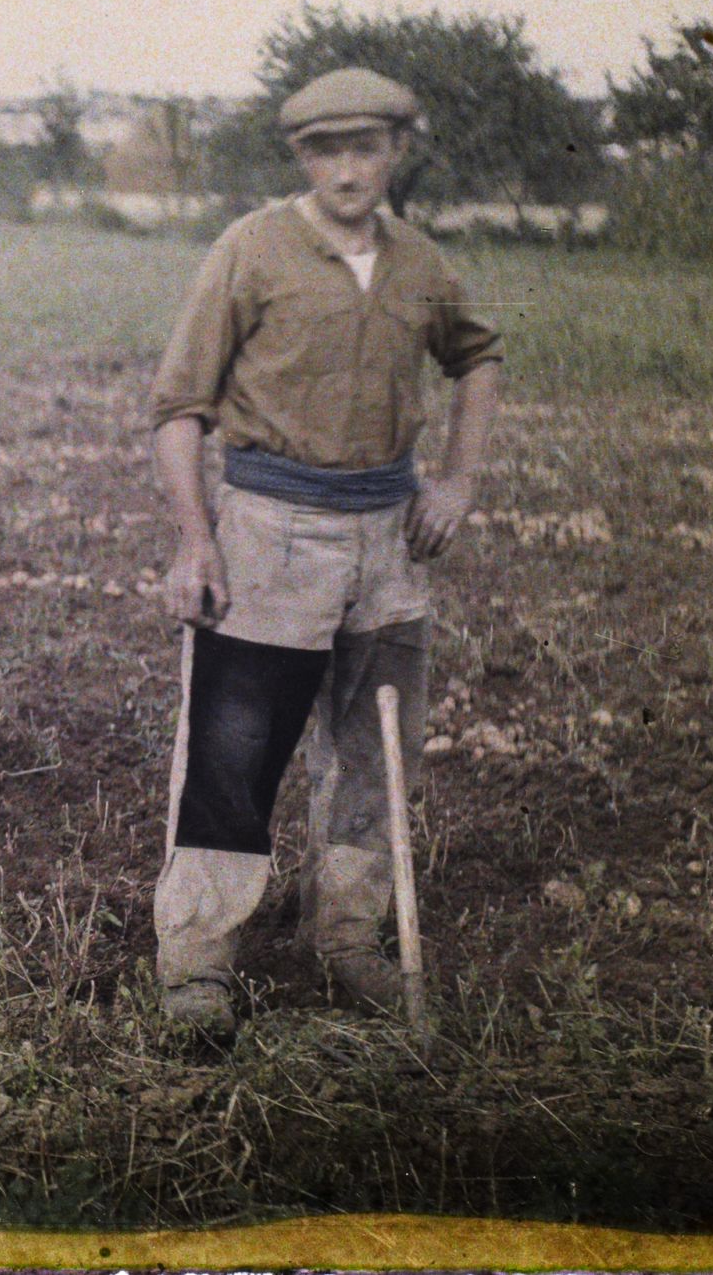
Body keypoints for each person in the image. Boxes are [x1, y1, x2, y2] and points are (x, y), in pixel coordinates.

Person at [145, 68, 504, 1035]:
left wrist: (457, 481)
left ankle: (348, 941)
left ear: (396, 152)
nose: (349, 168)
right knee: (235, 747)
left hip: (389, 543)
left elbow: (477, 357)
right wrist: (195, 542)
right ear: (303, 158)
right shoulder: (251, 250)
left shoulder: (423, 263)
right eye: (327, 150)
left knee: (374, 750)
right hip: (269, 531)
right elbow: (179, 408)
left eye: (368, 147)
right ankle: (199, 963)